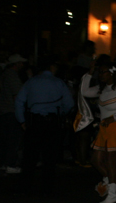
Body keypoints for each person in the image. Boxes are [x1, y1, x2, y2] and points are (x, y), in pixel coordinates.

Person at [80, 55, 116, 203]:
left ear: (112, 73)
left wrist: (114, 118)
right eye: (100, 72)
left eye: (103, 72)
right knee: (95, 160)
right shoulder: (101, 89)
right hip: (104, 130)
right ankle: (114, 182)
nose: (101, 74)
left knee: (111, 161)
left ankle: (112, 194)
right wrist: (89, 73)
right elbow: (84, 91)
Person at [15, 56, 74, 193]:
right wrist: (62, 114)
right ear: (52, 68)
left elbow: (19, 102)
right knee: (50, 157)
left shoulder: (31, 82)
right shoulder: (59, 83)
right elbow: (69, 103)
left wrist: (22, 121)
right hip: (52, 123)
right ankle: (47, 187)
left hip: (34, 122)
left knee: (30, 157)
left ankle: (26, 186)